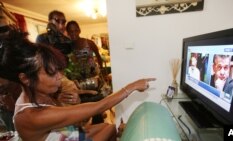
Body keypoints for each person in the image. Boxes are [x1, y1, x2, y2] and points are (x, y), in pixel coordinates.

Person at [0, 28, 155, 141]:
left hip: (63, 134)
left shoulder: (39, 94)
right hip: (64, 136)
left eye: (59, 70)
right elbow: (98, 107)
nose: (60, 77)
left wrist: (66, 101)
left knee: (108, 127)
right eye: (51, 73)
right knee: (110, 130)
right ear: (26, 78)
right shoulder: (29, 117)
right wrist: (132, 86)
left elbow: (68, 123)